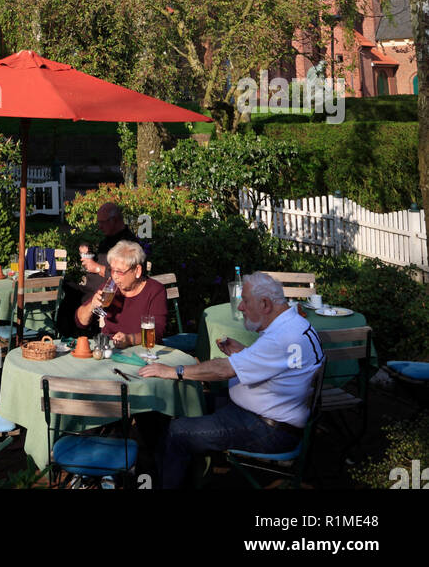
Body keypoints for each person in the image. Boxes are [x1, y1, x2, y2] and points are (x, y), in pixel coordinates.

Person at [140, 271, 326, 488]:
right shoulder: (295, 324)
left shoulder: (281, 338)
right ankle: (177, 473)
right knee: (186, 402)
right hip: (267, 415)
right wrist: (244, 353)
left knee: (177, 432)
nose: (240, 307)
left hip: (267, 428)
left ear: (265, 304)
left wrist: (173, 371)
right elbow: (279, 365)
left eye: (245, 301)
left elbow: (222, 371)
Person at [75, 240, 168, 343]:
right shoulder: (110, 287)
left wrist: (129, 339)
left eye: (119, 272)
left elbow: (157, 332)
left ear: (137, 270)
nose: (114, 276)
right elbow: (80, 322)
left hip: (142, 351)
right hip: (110, 349)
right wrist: (91, 305)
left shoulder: (155, 291)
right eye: (112, 270)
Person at [78, 202, 145, 276]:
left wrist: (98, 268)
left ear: (115, 220)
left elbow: (128, 277)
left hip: (106, 287)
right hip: (91, 285)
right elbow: (100, 260)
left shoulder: (130, 245)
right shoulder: (107, 239)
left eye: (103, 222)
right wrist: (87, 251)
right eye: (99, 222)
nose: (100, 226)